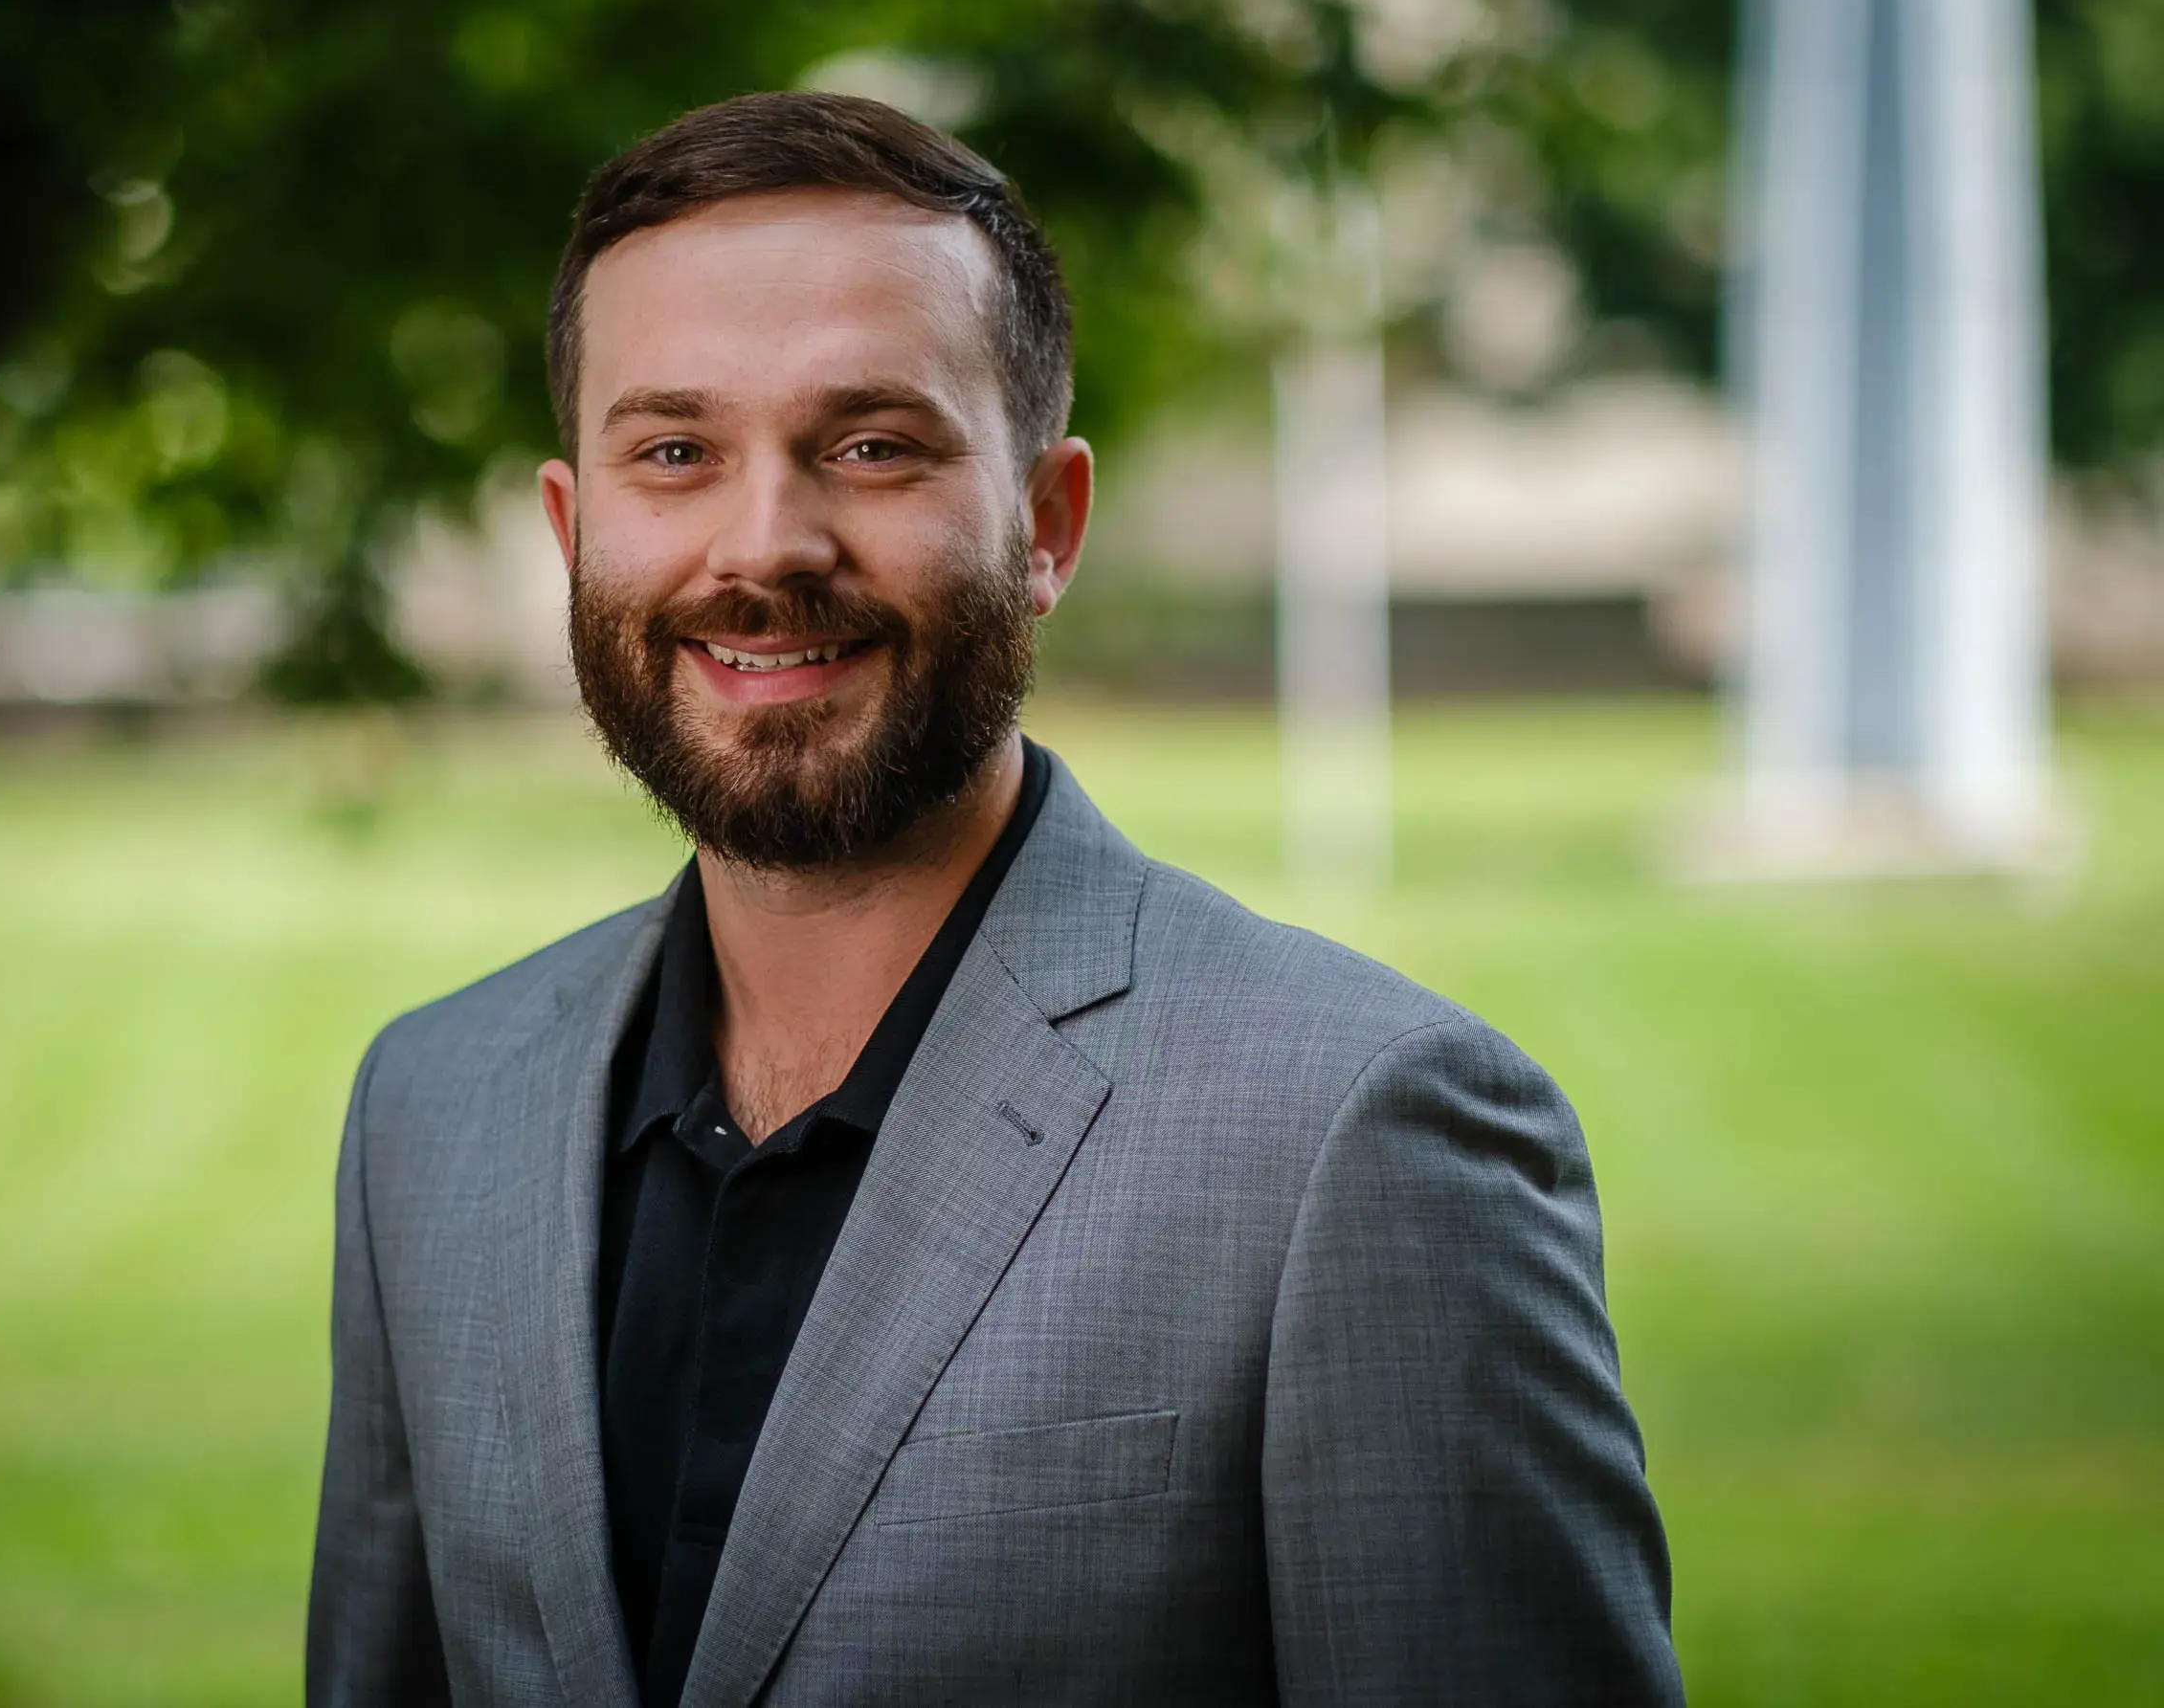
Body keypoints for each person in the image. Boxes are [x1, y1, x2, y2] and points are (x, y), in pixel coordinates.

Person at [306, 91, 1684, 1708]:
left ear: (1047, 525)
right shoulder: (434, 1109)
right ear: (572, 526)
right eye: (675, 453)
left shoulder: (1361, 1136)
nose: (767, 544)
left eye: (872, 447)